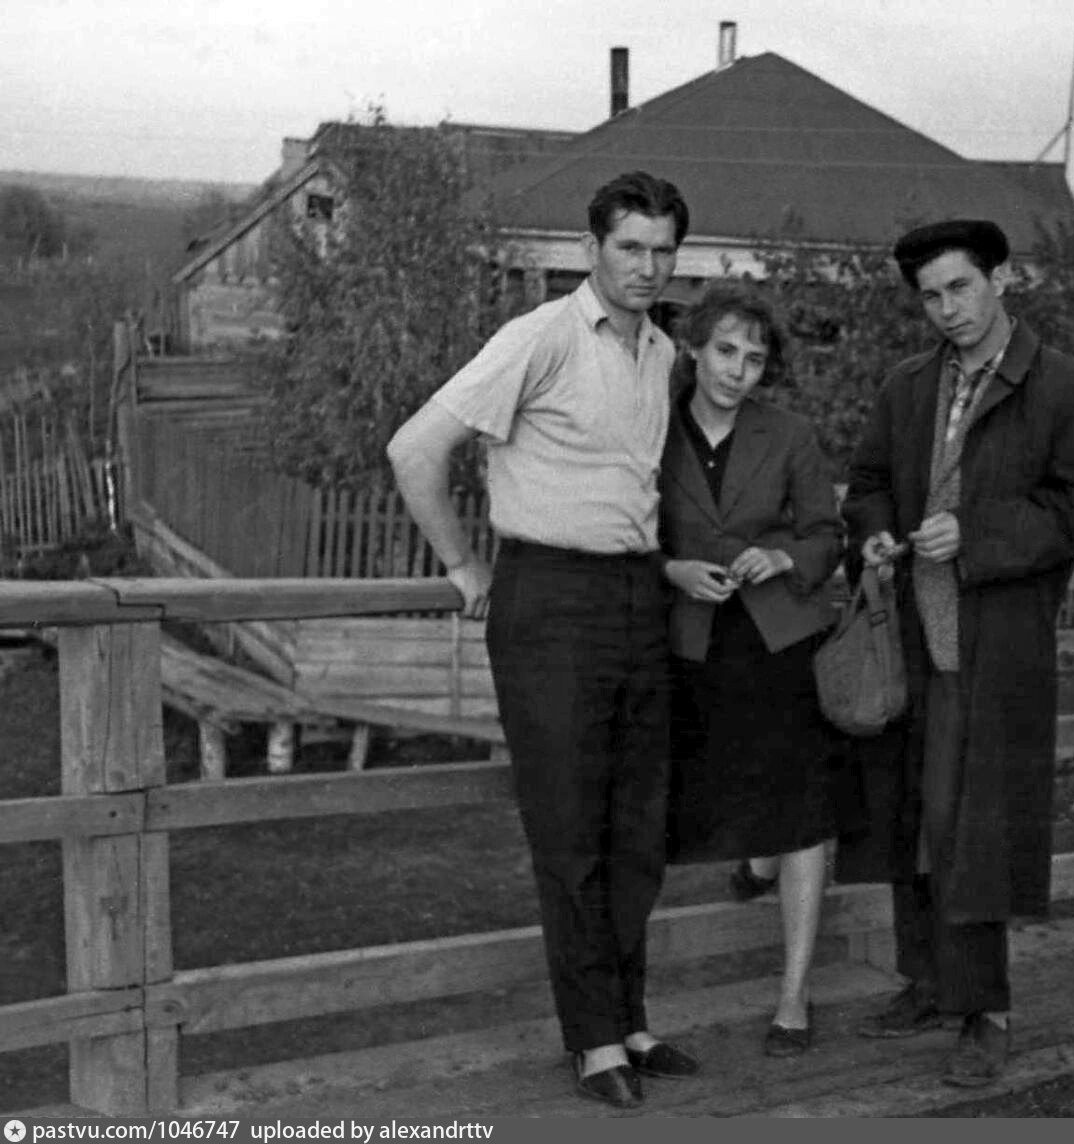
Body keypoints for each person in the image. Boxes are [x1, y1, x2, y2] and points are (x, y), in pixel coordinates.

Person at [386, 170, 699, 1110]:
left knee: (638, 827)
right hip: (551, 602)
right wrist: (461, 564)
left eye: (662, 250)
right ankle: (593, 1039)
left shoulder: (662, 352)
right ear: (591, 248)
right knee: (569, 831)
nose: (646, 266)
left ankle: (629, 1021)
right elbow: (414, 449)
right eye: (629, 247)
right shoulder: (540, 338)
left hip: (638, 596)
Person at [838, 218, 1074, 1088]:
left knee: (974, 830)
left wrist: (975, 533)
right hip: (908, 646)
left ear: (1001, 279)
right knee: (912, 819)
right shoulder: (907, 385)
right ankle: (927, 983)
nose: (946, 309)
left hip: (993, 651)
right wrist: (872, 535)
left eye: (960, 287)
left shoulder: (1064, 387)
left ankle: (984, 1012)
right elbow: (868, 483)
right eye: (930, 296)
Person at [657, 282, 848, 1058]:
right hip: (688, 647)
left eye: (755, 359)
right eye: (725, 351)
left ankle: (793, 998)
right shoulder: (649, 427)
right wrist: (670, 570)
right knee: (673, 808)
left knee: (801, 812)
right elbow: (624, 531)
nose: (737, 371)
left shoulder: (789, 434)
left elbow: (826, 535)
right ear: (694, 349)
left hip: (779, 645)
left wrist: (783, 557)